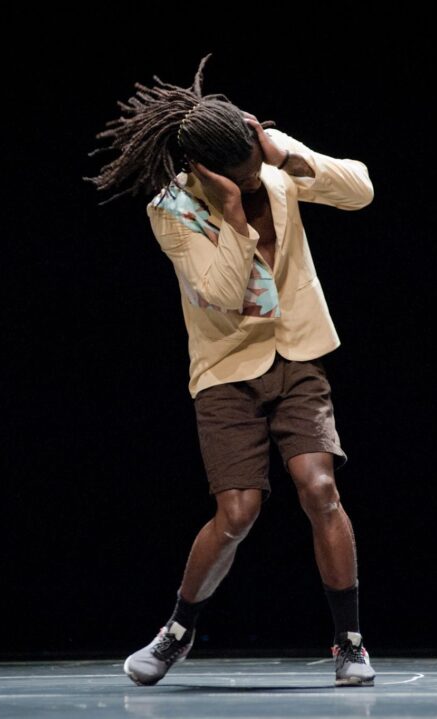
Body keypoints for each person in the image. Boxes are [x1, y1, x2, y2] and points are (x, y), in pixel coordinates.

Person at [89, 57, 376, 687]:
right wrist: (235, 216)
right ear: (205, 171)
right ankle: (178, 629)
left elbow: (360, 191)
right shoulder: (172, 209)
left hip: (298, 352)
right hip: (225, 369)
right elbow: (221, 290)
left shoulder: (270, 158)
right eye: (240, 179)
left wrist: (285, 158)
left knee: (320, 487)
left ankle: (349, 642)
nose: (254, 182)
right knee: (239, 512)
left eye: (254, 171)